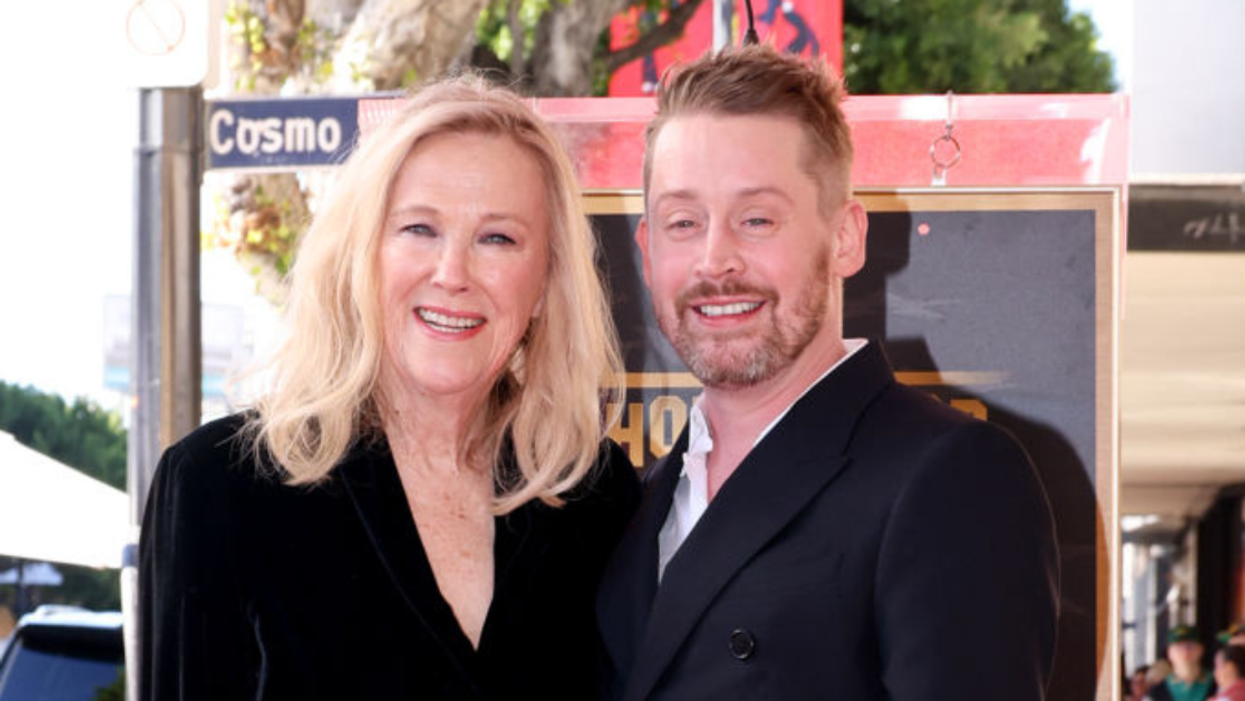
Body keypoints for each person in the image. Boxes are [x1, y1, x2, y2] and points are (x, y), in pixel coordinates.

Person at [139, 75, 640, 700]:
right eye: (419, 229)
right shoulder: (219, 486)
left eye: (498, 238)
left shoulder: (593, 494)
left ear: (544, 285)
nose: (453, 273)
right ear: (360, 255)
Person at [595, 44, 1060, 700]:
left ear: (844, 236)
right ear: (646, 251)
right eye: (682, 221)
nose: (714, 259)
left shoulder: (948, 476)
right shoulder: (633, 506)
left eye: (755, 218)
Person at [1148, 626, 1214, 701]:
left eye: (1190, 646)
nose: (1185, 652)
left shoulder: (1217, 685)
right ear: (1169, 652)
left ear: (1201, 649)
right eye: (1178, 647)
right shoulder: (1156, 692)